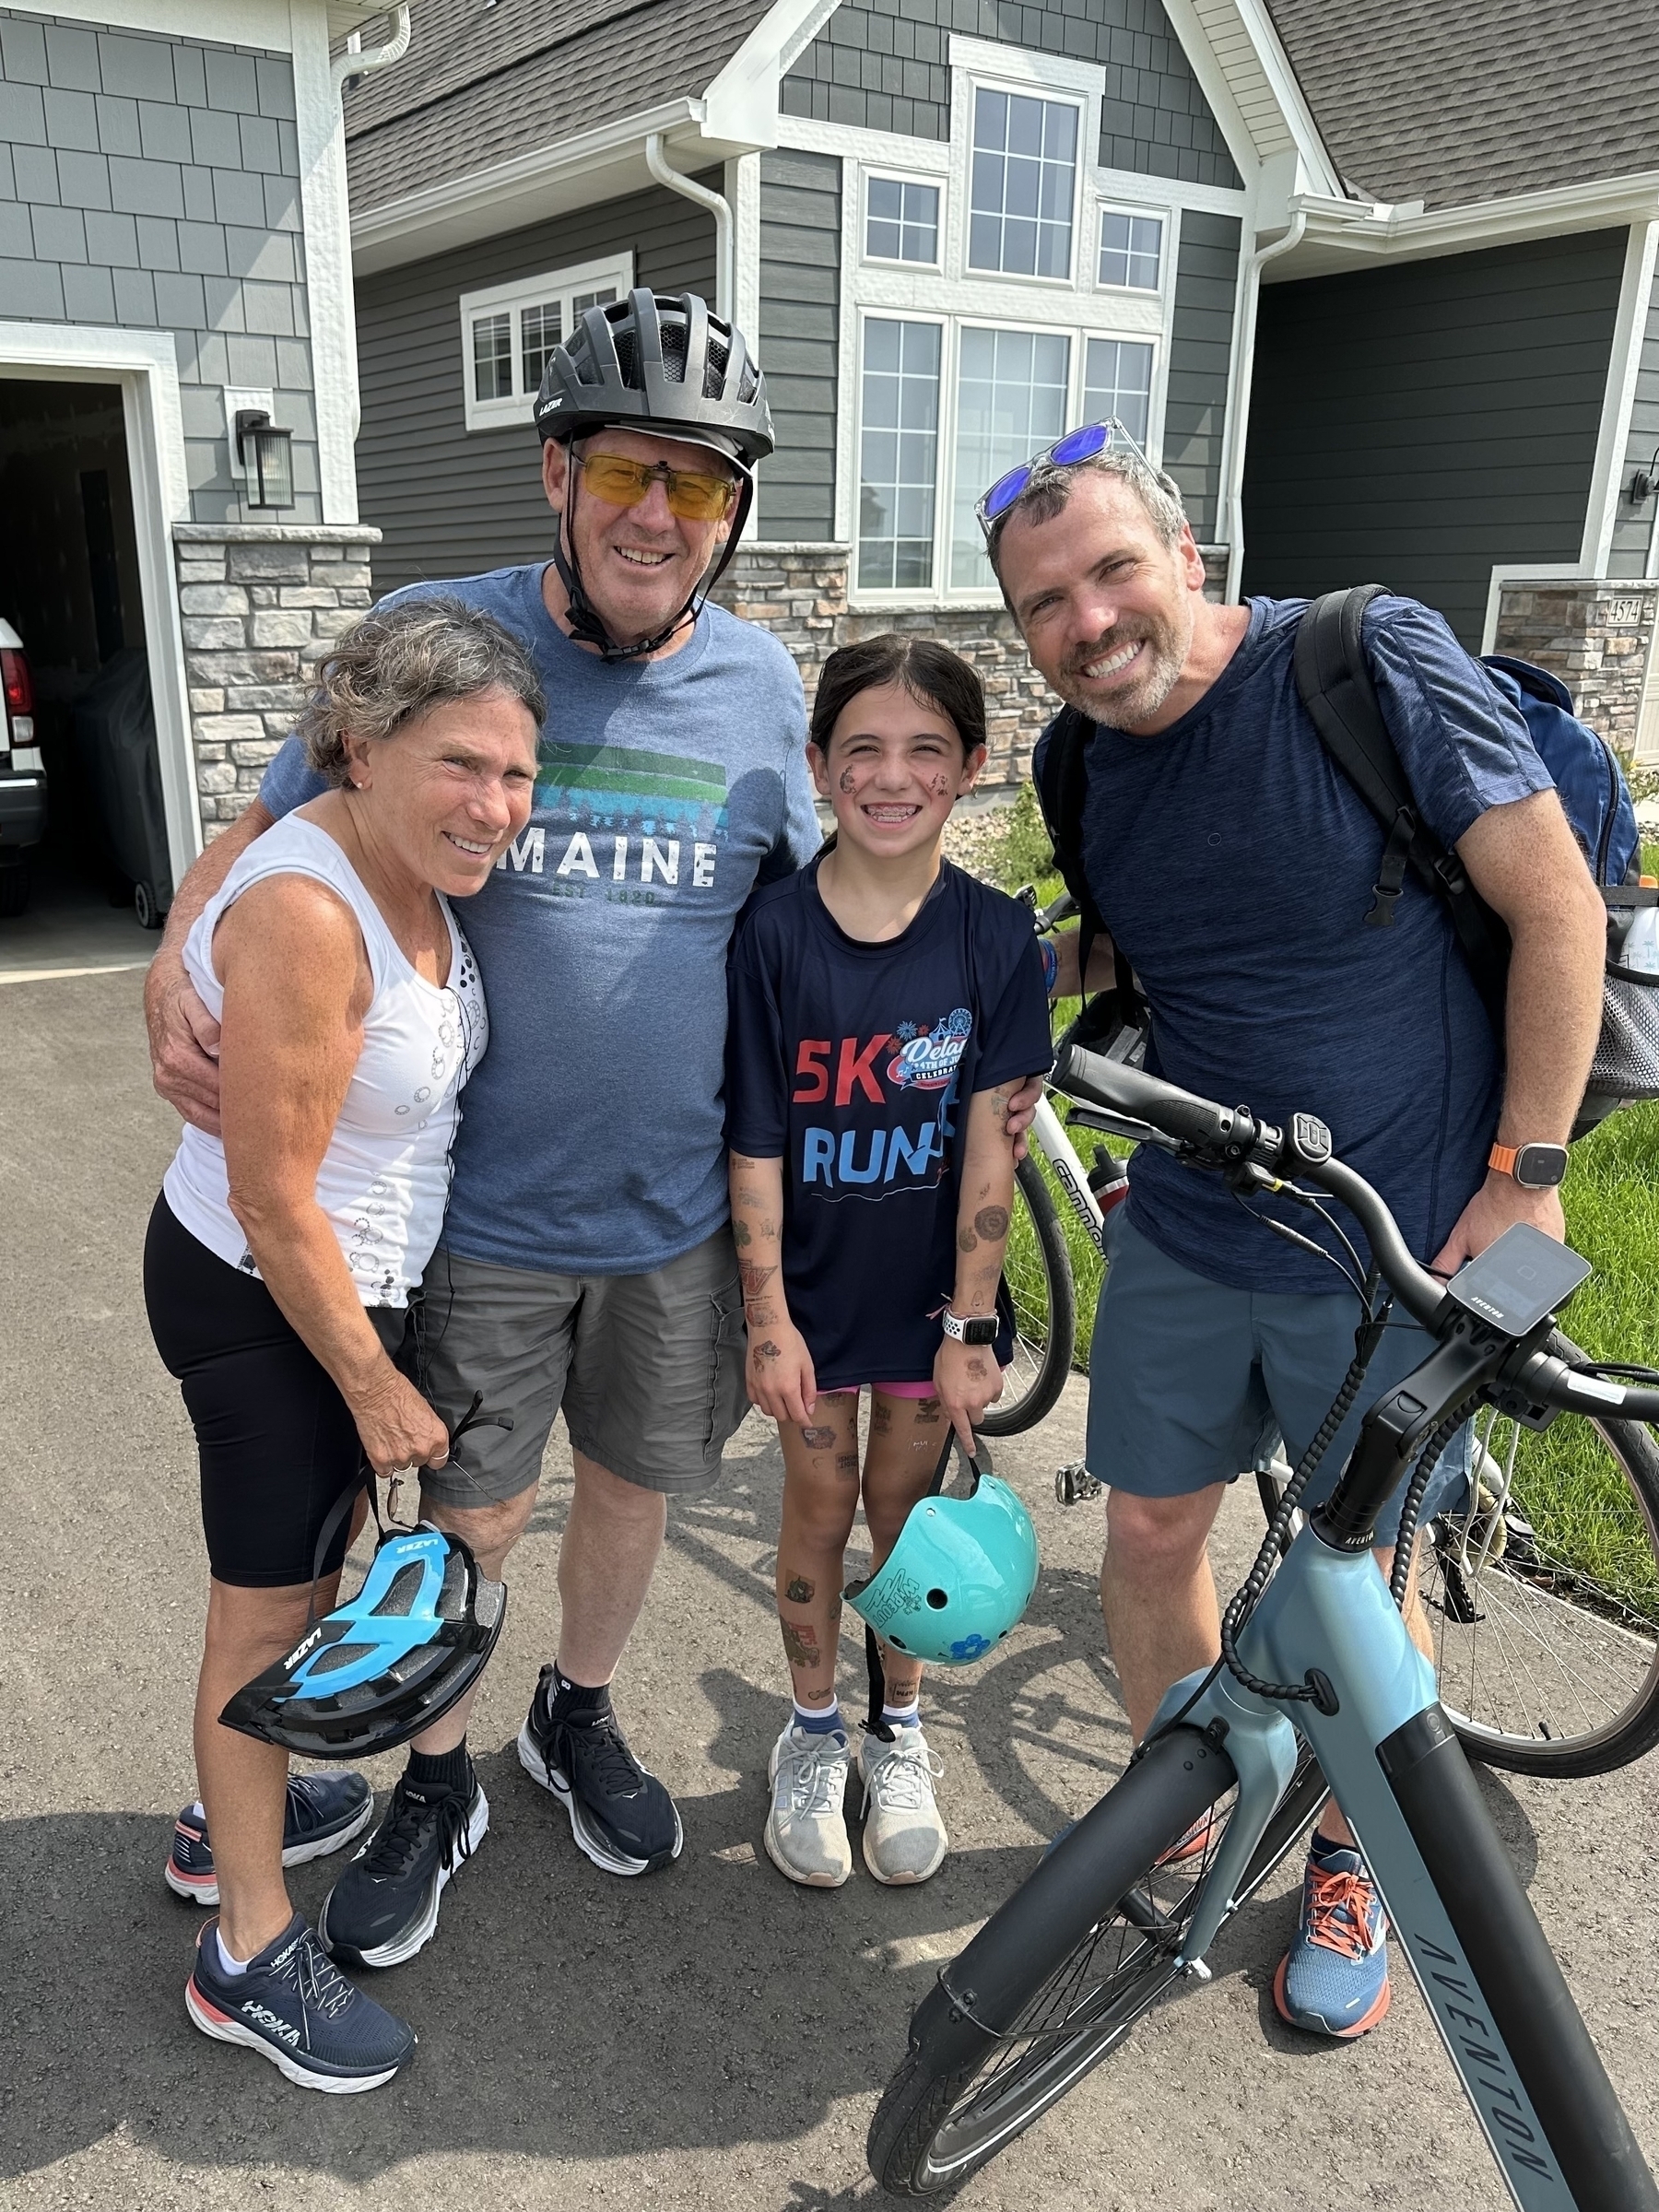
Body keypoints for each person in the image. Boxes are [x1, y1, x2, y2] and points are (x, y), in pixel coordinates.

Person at [143, 290, 844, 1965]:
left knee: (631, 1486)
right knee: (466, 1509)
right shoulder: (438, 636)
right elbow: (265, 826)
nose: (660, 515)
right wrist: (172, 961)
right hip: (479, 1215)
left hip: (671, 1209)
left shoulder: (759, 687)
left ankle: (574, 1714)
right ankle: (432, 1772)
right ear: (556, 470)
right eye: (627, 471)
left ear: (734, 515)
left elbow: (814, 918)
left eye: (700, 484)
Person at [985, 428, 1606, 2040]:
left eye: (1114, 570)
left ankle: (1355, 1853)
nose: (1090, 619)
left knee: (1360, 1570)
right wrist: (925, 949)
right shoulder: (1083, 759)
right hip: (1196, 1221)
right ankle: (1185, 1800)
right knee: (1144, 1537)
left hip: (1403, 1231)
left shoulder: (1359, 655)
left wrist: (1527, 1181)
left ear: (1188, 558)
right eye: (1045, 603)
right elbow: (1142, 939)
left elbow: (1556, 907)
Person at [145, 598, 543, 2088]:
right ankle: (245, 1951)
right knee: (264, 1622)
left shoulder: (399, 873)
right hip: (271, 1297)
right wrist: (372, 1384)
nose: (495, 807)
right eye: (463, 767)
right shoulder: (313, 909)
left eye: (515, 774)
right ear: (359, 752)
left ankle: (219, 1823)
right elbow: (270, 1192)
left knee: (298, 1591)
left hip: (328, 1288)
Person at [725, 636, 1053, 1889]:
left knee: (904, 1517)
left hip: (926, 1314)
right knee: (816, 1507)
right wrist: (767, 1320)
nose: (891, 775)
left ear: (971, 768)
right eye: (861, 748)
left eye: (925, 750)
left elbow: (991, 1157)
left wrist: (970, 1329)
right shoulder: (772, 936)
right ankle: (811, 1734)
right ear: (817, 765)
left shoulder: (996, 941)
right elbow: (753, 1141)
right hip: (809, 1303)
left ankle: (898, 1732)